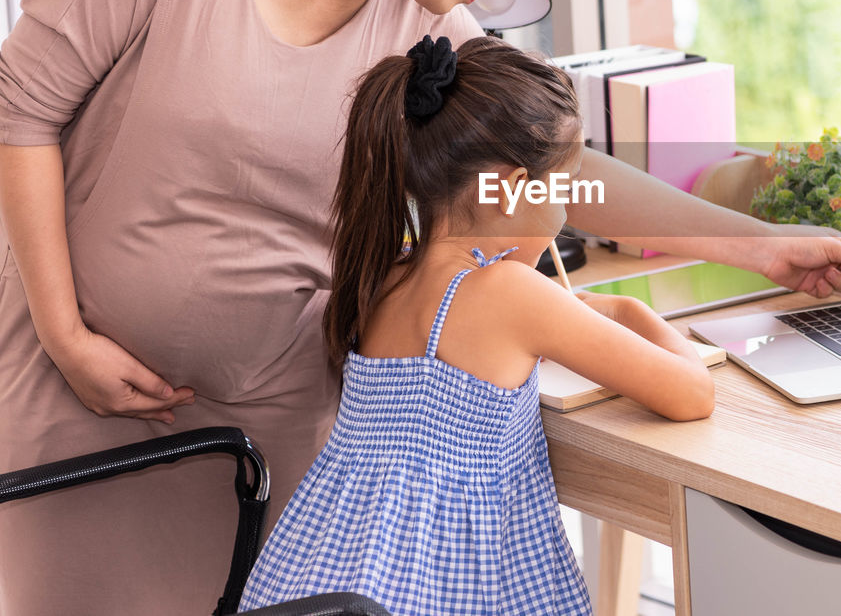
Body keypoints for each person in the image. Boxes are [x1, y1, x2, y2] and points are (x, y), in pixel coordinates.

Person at [0, 0, 841, 612]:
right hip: (80, 393)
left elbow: (551, 170)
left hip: (280, 431)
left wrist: (754, 241)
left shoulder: (418, 22)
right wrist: (67, 332)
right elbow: (20, 107)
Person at [238, 34, 713, 615]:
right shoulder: (513, 294)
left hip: (326, 579)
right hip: (452, 590)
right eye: (563, 191)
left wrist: (592, 310)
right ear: (511, 189)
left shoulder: (381, 274)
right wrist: (635, 311)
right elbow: (692, 394)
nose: (565, 214)